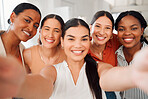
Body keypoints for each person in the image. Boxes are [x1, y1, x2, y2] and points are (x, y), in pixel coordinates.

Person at [1, 18, 148, 99]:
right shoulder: (52, 71)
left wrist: (133, 74)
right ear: (63, 42)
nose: (78, 45)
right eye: (71, 39)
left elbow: (108, 77)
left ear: (89, 41)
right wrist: (18, 83)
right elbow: (42, 85)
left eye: (84, 39)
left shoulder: (99, 67)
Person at [115, 10, 148, 99]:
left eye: (133, 28)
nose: (127, 33)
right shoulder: (116, 55)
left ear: (142, 30)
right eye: (121, 29)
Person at [0, 3, 41, 73]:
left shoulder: (24, 53)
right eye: (27, 20)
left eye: (35, 26)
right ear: (12, 17)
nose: (31, 29)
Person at [88, 10, 120, 99]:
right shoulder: (82, 46)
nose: (102, 32)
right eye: (98, 26)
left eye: (107, 28)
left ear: (111, 33)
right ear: (90, 28)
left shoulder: (116, 41)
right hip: (88, 89)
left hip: (109, 89)